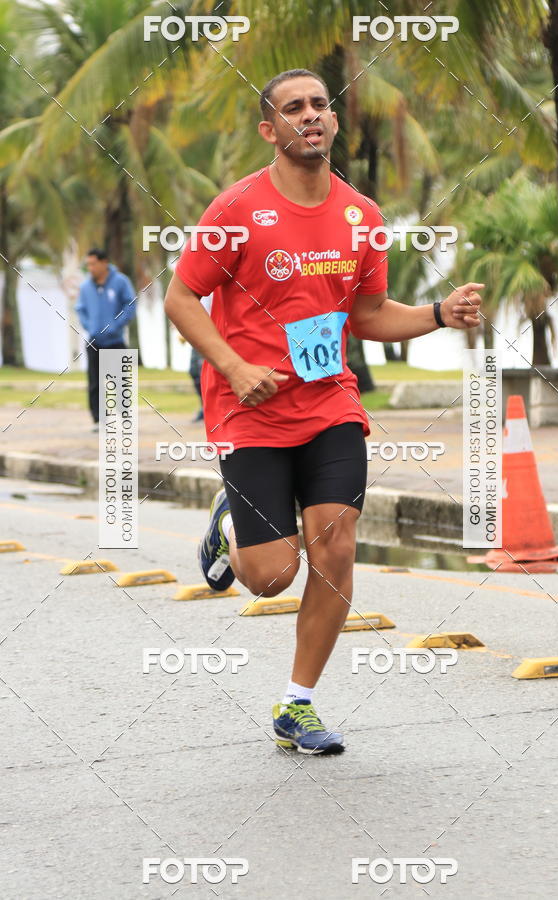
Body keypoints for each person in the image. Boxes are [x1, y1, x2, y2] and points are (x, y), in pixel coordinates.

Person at [164, 69, 483, 755]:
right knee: (271, 574)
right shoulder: (235, 210)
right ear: (269, 129)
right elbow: (181, 300)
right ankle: (231, 530)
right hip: (249, 410)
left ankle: (297, 704)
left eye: (319, 105)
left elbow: (366, 314)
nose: (310, 115)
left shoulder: (361, 215)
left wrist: (436, 313)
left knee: (335, 541)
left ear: (333, 123)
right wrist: (235, 366)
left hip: (330, 400)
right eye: (293, 108)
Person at [76, 248, 136, 428]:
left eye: (93, 263)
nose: (90, 268)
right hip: (94, 341)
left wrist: (116, 325)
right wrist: (90, 327)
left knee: (120, 382)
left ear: (104, 262)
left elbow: (130, 304)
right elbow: (80, 309)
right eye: (88, 264)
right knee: (95, 382)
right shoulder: (85, 287)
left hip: (115, 341)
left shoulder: (120, 282)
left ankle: (125, 418)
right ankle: (98, 419)